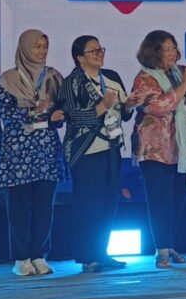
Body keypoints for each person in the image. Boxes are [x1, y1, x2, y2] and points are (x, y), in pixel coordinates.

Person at [59, 35, 138, 273]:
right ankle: (87, 256)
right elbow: (72, 115)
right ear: (80, 58)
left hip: (111, 148)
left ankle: (102, 252)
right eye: (93, 51)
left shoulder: (111, 77)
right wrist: (101, 106)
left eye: (101, 49)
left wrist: (131, 104)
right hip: (86, 151)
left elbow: (124, 113)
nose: (100, 54)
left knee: (107, 203)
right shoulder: (72, 82)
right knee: (88, 204)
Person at [131, 30, 186, 268]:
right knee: (159, 201)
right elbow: (158, 106)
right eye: (166, 49)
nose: (172, 53)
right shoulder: (145, 79)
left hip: (180, 149)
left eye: (174, 48)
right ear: (154, 52)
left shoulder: (179, 73)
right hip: (155, 151)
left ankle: (170, 244)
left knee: (177, 199)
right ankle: (161, 249)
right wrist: (184, 85)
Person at [0, 29, 66, 276]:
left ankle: (39, 255)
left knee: (44, 207)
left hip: (46, 150)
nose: (42, 51)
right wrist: (37, 112)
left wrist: (56, 116)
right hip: (18, 152)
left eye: (45, 46)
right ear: (24, 47)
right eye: (36, 46)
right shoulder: (8, 79)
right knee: (19, 208)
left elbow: (61, 112)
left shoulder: (54, 77)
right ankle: (21, 258)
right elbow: (7, 114)